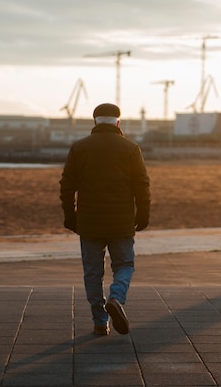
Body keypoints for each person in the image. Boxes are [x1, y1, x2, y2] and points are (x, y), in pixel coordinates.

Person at [59, 103, 151, 335]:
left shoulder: (80, 148)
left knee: (92, 272)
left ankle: (100, 321)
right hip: (121, 221)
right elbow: (141, 184)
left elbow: (67, 186)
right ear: (118, 123)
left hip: (89, 222)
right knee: (124, 265)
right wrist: (143, 212)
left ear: (95, 122)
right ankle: (116, 298)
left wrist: (70, 215)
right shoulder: (131, 148)